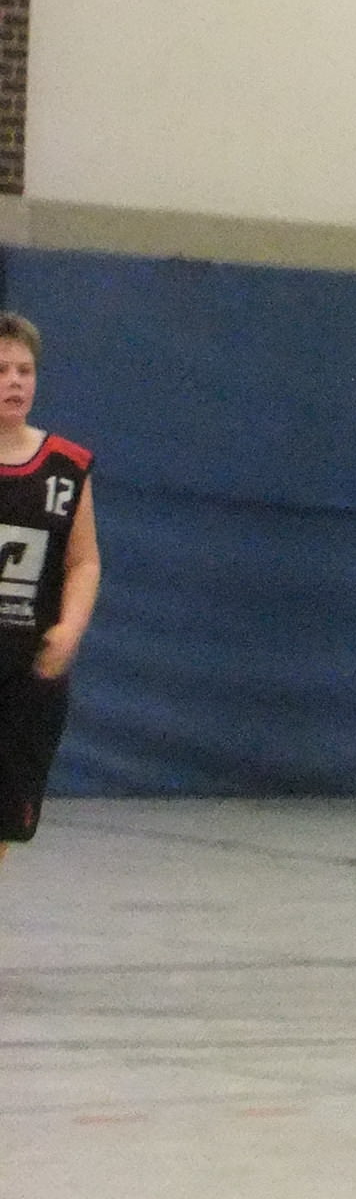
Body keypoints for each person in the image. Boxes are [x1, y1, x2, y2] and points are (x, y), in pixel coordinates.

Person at [0, 314, 99, 863]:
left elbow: (83, 560)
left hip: (26, 670)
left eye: (25, 370)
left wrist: (70, 627)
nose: (15, 382)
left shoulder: (66, 467)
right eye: (1, 370)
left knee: (6, 819)